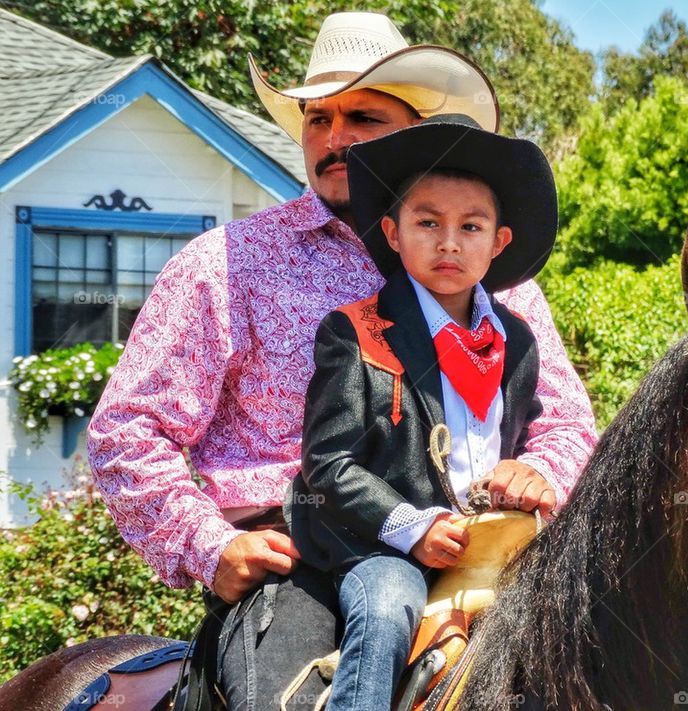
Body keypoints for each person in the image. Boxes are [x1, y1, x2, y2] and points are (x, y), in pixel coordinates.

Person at [87, 10, 597, 709]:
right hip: (302, 564)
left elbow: (566, 420)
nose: (334, 139)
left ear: (411, 133)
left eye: (363, 115)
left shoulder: (493, 278)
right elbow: (126, 431)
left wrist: (537, 471)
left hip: (485, 555)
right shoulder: (226, 265)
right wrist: (208, 545)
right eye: (317, 118)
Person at [289, 112, 557, 709]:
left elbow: (524, 440)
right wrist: (413, 528)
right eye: (427, 222)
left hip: (489, 541)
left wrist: (531, 477)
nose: (449, 242)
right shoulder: (354, 332)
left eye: (471, 226)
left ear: (499, 242)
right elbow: (327, 463)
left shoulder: (517, 342)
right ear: (392, 231)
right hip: (378, 545)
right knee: (387, 607)